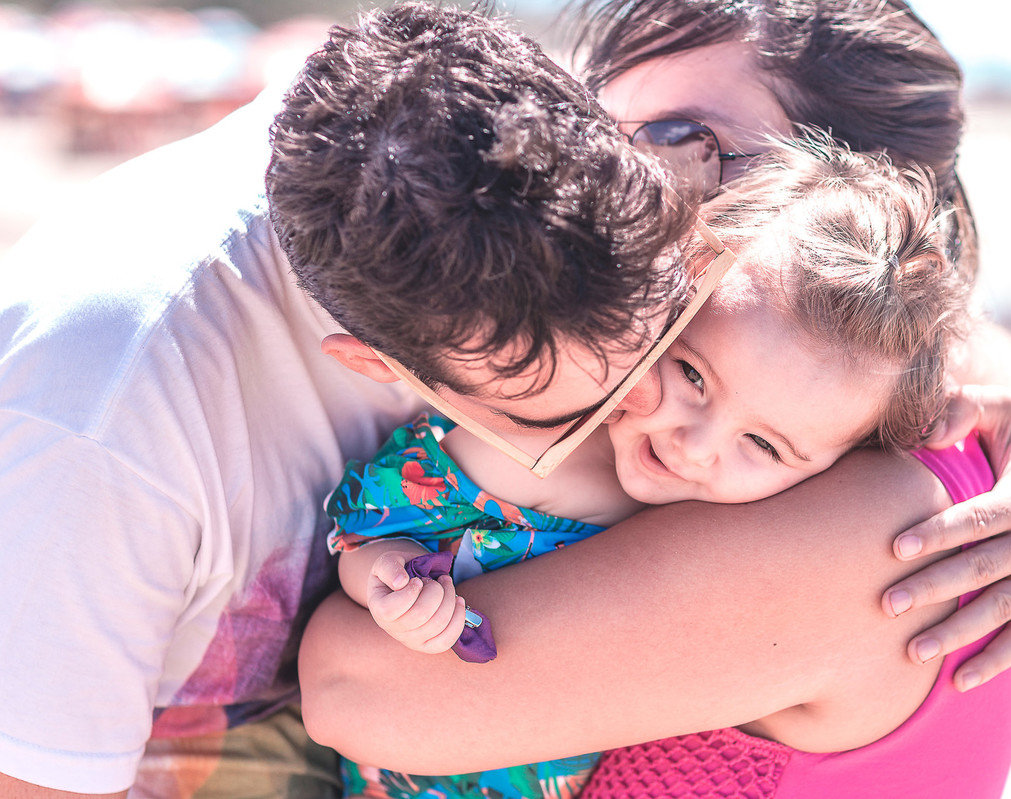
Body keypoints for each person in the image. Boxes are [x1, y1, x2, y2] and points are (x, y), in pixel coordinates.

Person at [296, 0, 1011, 794]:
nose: (612, 184)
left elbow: (353, 688)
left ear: (831, 197)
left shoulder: (868, 535)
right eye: (601, 128)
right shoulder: (869, 423)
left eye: (681, 145)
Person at [0, 3, 691, 795]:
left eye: (673, 338)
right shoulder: (103, 420)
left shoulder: (499, 144)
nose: (660, 410)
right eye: (569, 419)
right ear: (370, 362)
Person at [326, 139, 971, 796]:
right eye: (692, 372)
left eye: (766, 446)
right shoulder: (527, 455)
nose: (695, 443)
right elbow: (364, 532)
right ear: (662, 295)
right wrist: (388, 582)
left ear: (839, 466)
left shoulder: (759, 545)